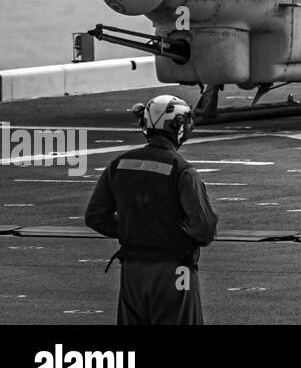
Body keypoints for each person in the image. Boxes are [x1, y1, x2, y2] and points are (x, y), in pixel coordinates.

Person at [85, 95, 219, 324]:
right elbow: (204, 229)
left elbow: (95, 217)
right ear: (178, 127)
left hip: (133, 271)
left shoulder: (120, 164)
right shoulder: (182, 171)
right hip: (175, 271)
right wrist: (165, 233)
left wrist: (138, 230)